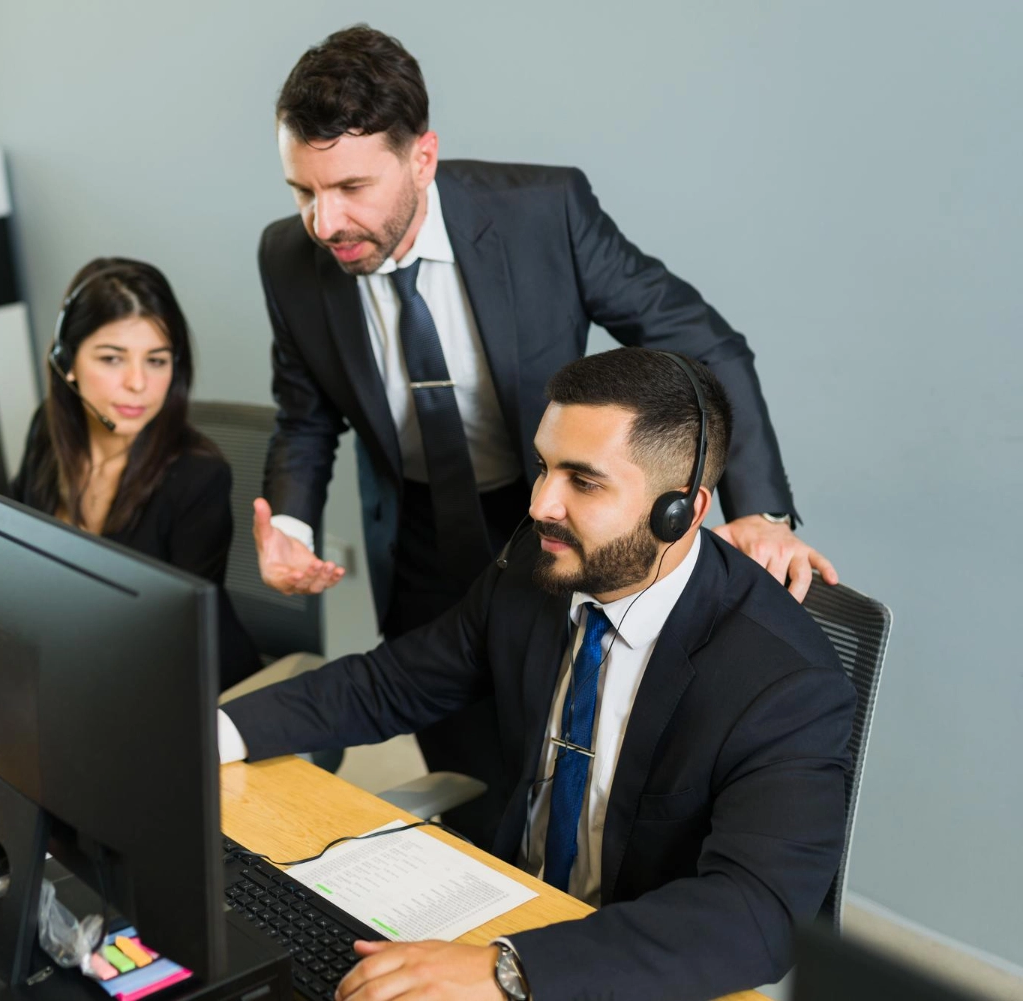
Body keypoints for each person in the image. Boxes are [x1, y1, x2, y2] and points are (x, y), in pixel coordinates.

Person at [252, 24, 838, 843]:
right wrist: (287, 520)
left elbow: (703, 342)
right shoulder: (287, 257)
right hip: (419, 547)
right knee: (479, 801)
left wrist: (760, 512)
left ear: (422, 157)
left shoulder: (542, 212)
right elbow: (306, 413)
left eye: (350, 186)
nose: (323, 220)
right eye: (302, 191)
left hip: (560, 522)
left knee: (584, 775)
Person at [222, 348, 855, 1001]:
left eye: (583, 481)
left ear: (681, 512)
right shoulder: (541, 562)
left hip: (629, 969)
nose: (541, 503)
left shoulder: (786, 684)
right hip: (510, 907)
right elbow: (394, 682)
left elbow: (756, 914)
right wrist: (213, 732)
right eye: (543, 466)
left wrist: (512, 968)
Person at [10, 257, 261, 690]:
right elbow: (9, 550)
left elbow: (178, 637)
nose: (138, 383)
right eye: (112, 359)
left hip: (185, 690)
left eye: (157, 361)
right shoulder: (47, 430)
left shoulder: (199, 476)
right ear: (66, 361)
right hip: (75, 663)